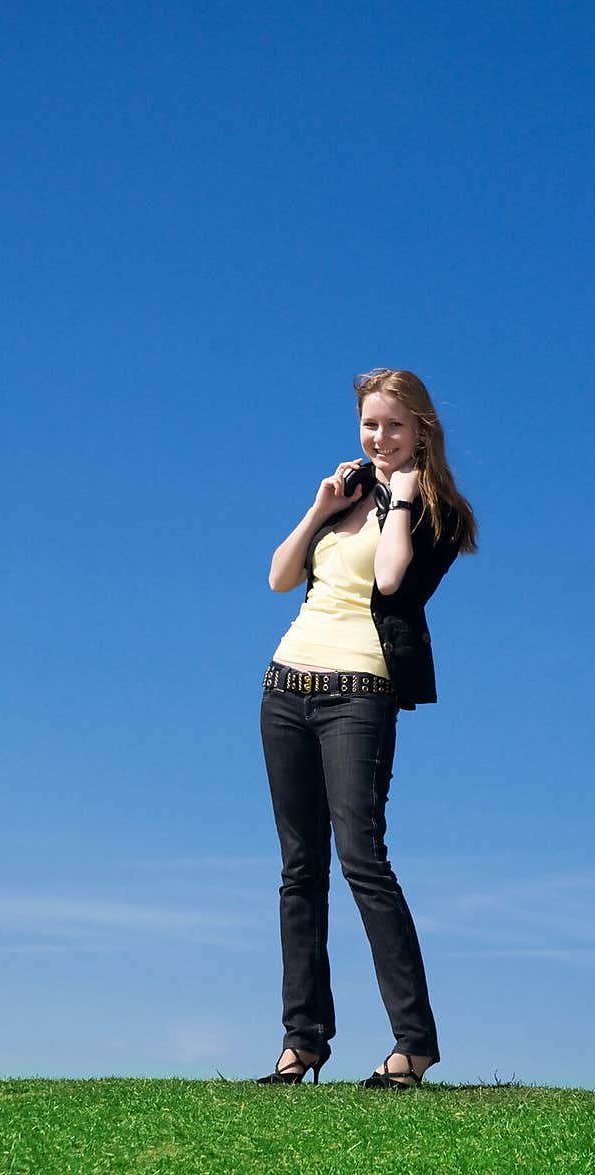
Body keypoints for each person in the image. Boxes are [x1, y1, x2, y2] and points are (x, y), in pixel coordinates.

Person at [257, 368, 478, 1089]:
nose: (377, 438)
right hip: (287, 683)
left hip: (360, 692)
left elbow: (389, 581)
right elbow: (281, 577)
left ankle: (413, 1045)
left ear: (421, 430)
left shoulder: (433, 512)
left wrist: (405, 493)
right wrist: (320, 507)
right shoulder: (345, 494)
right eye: (368, 425)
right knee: (299, 869)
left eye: (391, 425)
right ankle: (301, 1041)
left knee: (362, 859)